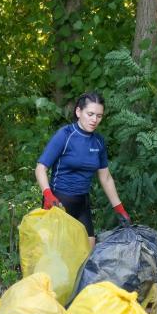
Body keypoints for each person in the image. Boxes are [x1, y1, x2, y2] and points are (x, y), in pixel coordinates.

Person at [35, 92, 130, 248]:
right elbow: (40, 168)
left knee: (88, 252)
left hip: (82, 203)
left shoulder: (98, 141)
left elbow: (105, 178)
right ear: (79, 112)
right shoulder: (65, 135)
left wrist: (119, 209)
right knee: (58, 255)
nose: (94, 120)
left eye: (99, 116)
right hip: (58, 202)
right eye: (90, 114)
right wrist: (47, 195)